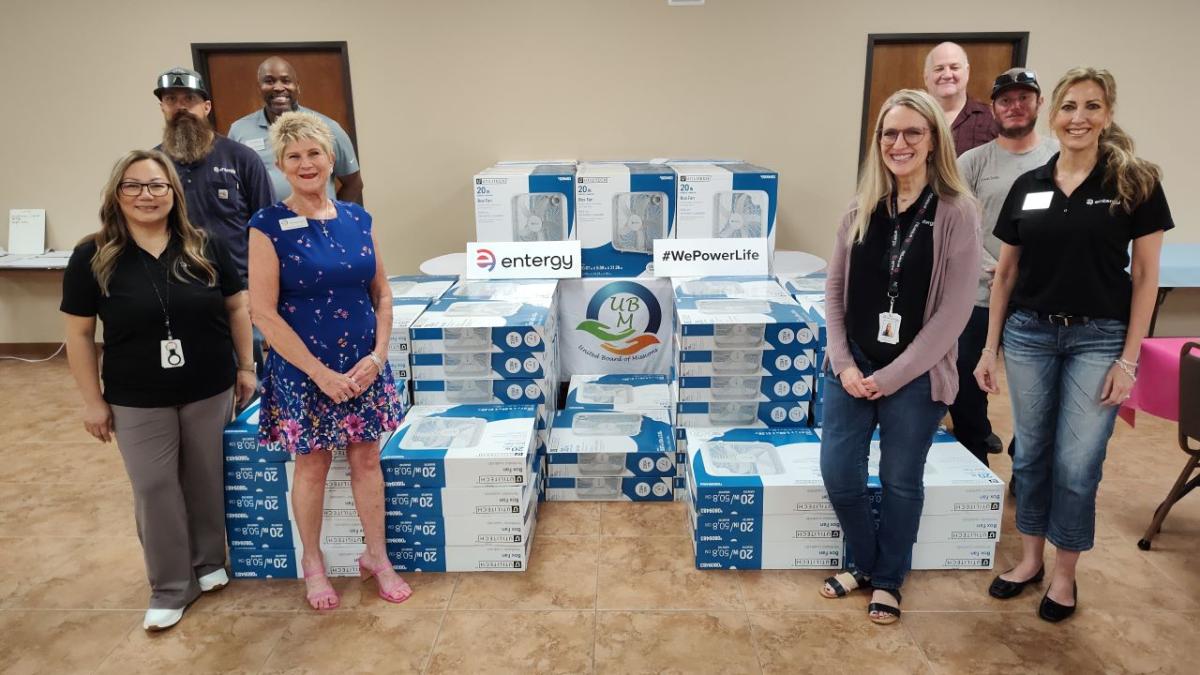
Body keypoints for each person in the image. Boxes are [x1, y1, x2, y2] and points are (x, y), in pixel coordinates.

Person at [975, 67, 1172, 623]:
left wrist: (1129, 360)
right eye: (1069, 107)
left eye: (1091, 107)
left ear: (1107, 114)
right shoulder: (1029, 184)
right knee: (1032, 454)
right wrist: (990, 350)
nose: (1078, 118)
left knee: (1078, 461)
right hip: (1030, 334)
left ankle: (1065, 576)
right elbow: (1006, 275)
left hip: (1099, 337)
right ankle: (1030, 560)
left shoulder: (1135, 182)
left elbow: (1145, 279)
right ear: (1053, 114)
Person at [61, 150, 256, 631]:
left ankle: (210, 561)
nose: (146, 196)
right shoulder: (93, 255)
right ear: (116, 193)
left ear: (174, 193)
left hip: (209, 386)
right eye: (134, 186)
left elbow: (237, 307)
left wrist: (247, 367)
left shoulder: (203, 245)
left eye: (157, 186)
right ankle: (171, 585)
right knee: (154, 487)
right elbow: (79, 335)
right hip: (136, 395)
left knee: (205, 478)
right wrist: (92, 401)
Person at [819, 90, 980, 625]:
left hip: (914, 375)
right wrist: (843, 362)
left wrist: (890, 377)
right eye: (890, 133)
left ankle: (886, 579)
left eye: (913, 132)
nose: (900, 143)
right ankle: (867, 562)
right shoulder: (858, 207)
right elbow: (834, 293)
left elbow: (954, 314)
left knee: (899, 479)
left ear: (934, 140)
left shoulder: (956, 212)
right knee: (839, 472)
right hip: (852, 365)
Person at [248, 111, 408, 610]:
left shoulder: (359, 218)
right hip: (306, 373)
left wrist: (378, 357)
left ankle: (376, 556)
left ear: (331, 157)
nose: (306, 163)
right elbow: (263, 313)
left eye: (314, 152)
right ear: (281, 165)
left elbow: (381, 293)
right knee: (312, 466)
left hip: (363, 368)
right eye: (293, 156)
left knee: (366, 458)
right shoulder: (268, 226)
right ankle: (312, 564)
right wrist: (320, 374)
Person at [952, 68, 1059, 466]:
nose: (1015, 107)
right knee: (966, 379)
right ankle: (973, 456)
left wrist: (1026, 273)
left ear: (1038, 103)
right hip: (980, 293)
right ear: (993, 108)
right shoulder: (972, 162)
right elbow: (958, 227)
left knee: (1037, 391)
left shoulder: (1058, 157)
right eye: (1005, 100)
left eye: (1023, 98)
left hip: (1039, 298)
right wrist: (994, 267)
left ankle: (1024, 462)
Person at [154, 67, 274, 279]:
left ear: (206, 106)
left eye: (190, 99)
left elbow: (268, 227)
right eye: (171, 99)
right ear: (162, 107)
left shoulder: (242, 158)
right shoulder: (152, 165)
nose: (181, 106)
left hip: (238, 287)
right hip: (175, 285)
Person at [229, 56, 364, 204]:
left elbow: (353, 183)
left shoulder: (327, 127)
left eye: (286, 81)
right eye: (269, 81)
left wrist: (338, 215)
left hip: (318, 224)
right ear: (259, 87)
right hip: (267, 225)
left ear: (297, 86)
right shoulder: (239, 130)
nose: (279, 87)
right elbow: (234, 184)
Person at [923, 42, 998, 155]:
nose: (947, 75)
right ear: (926, 77)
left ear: (967, 72)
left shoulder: (992, 119)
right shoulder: (911, 118)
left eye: (954, 67)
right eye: (939, 69)